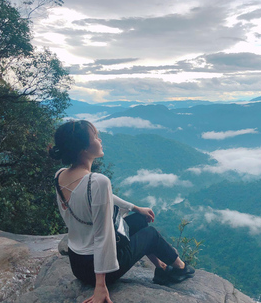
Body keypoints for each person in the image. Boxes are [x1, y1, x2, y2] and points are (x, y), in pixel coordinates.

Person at [49, 120, 194, 303]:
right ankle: (181, 268)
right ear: (83, 149)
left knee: (140, 220)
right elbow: (103, 235)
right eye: (95, 137)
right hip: (100, 271)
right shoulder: (98, 181)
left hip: (77, 264)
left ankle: (162, 267)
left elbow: (101, 197)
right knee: (149, 234)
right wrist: (100, 286)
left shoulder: (60, 175)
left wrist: (135, 208)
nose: (100, 140)